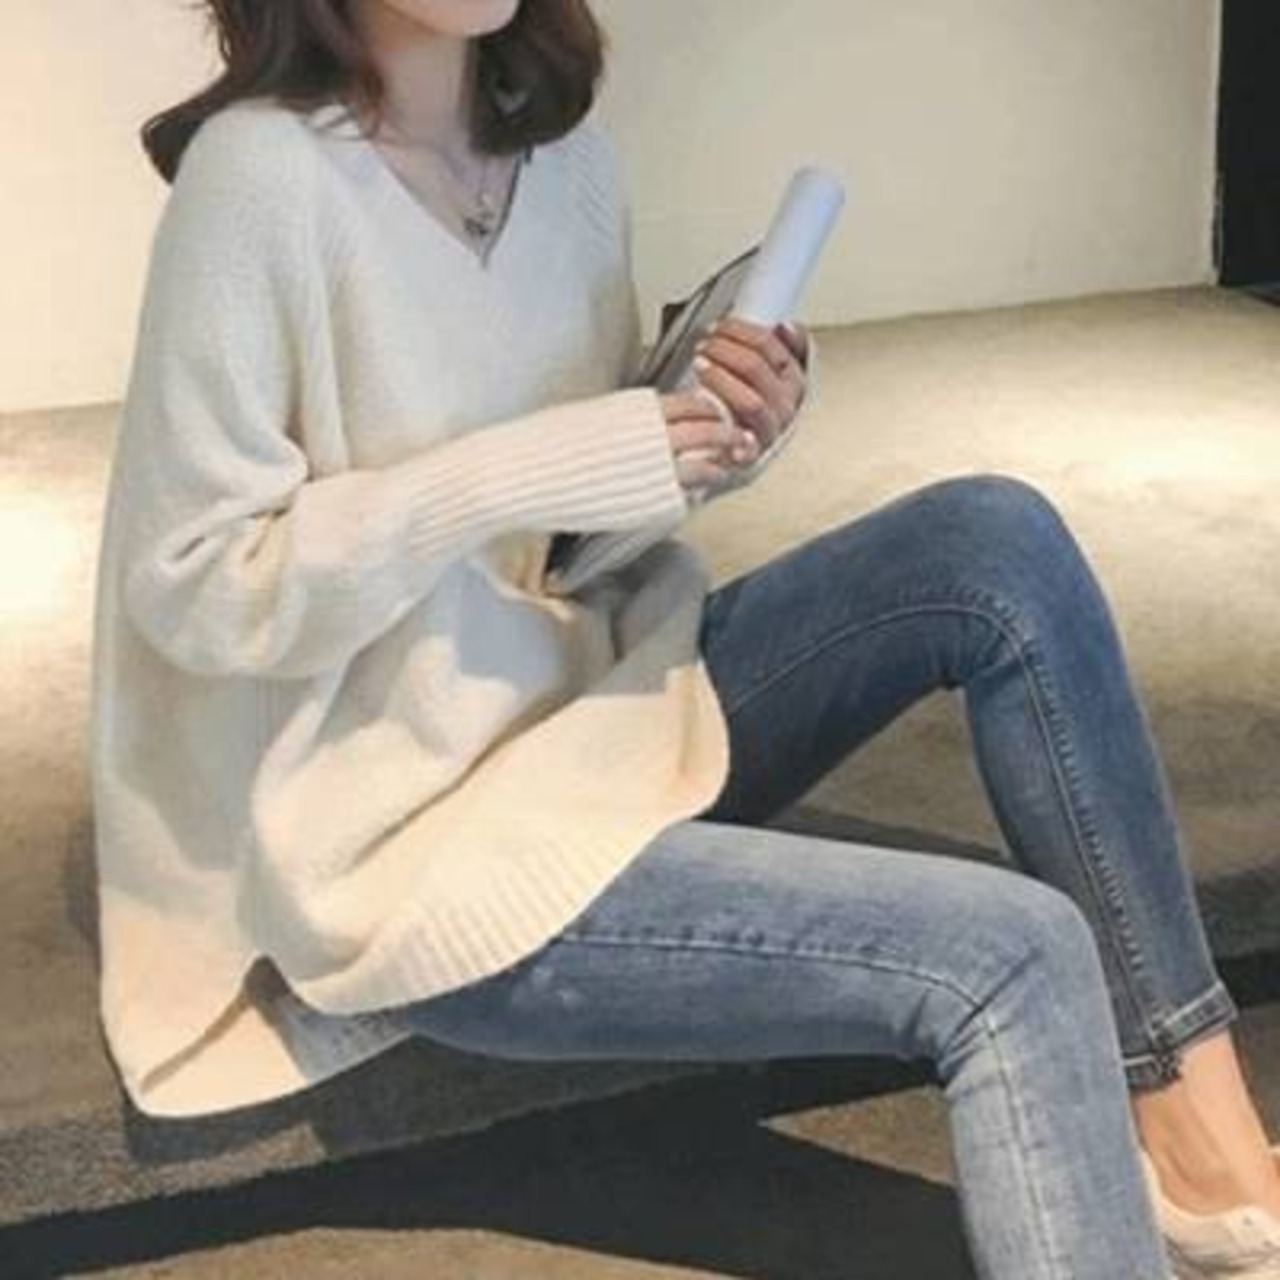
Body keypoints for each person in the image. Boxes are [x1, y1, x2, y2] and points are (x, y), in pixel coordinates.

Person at [88, 1, 1278, 1276]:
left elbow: (563, 550)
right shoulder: (259, 180)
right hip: (413, 843)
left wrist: (707, 441)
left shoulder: (564, 164)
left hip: (596, 716)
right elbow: (198, 586)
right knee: (1013, 953)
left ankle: (1202, 1136)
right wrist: (520, 464)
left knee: (991, 540)